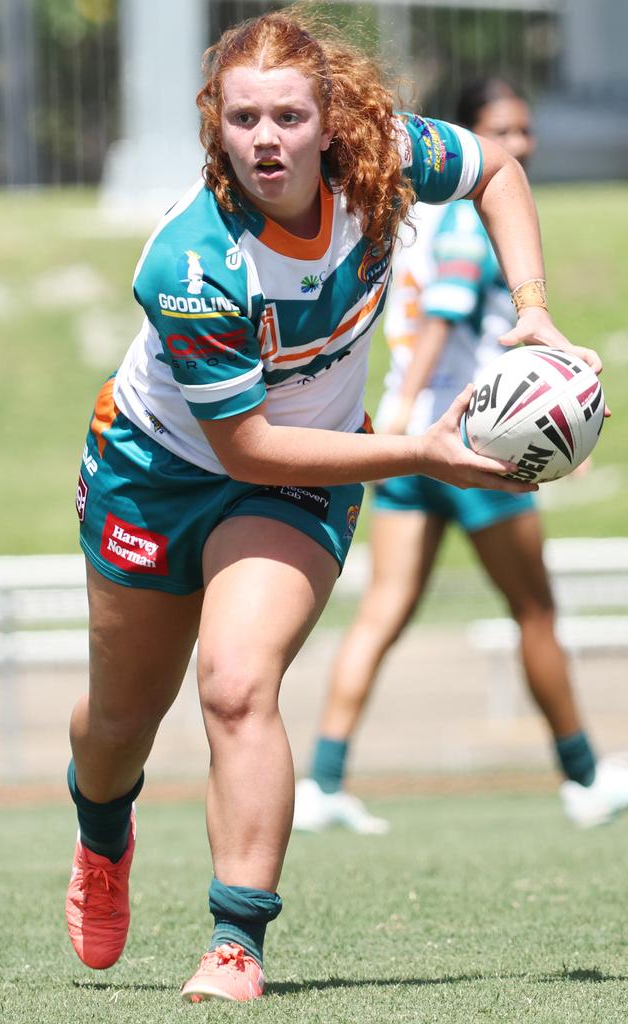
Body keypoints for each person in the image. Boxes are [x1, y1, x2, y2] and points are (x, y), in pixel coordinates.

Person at [65, 11, 601, 1002]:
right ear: (214, 125)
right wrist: (423, 451)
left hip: (303, 472)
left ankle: (236, 940)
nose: (266, 137)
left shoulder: (385, 158)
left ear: (329, 118)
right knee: (117, 724)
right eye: (243, 118)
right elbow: (244, 444)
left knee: (235, 679)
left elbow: (496, 172)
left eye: (288, 115)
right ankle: (103, 832)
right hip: (156, 466)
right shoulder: (191, 260)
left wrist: (532, 307)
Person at [294, 76, 627, 838]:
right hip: (478, 443)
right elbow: (446, 324)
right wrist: (437, 414)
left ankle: (325, 778)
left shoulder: (415, 213)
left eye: (525, 131)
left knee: (384, 610)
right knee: (535, 609)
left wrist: (401, 433)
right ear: (471, 133)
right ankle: (581, 777)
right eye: (501, 133)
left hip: (417, 444)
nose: (518, 147)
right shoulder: (472, 225)